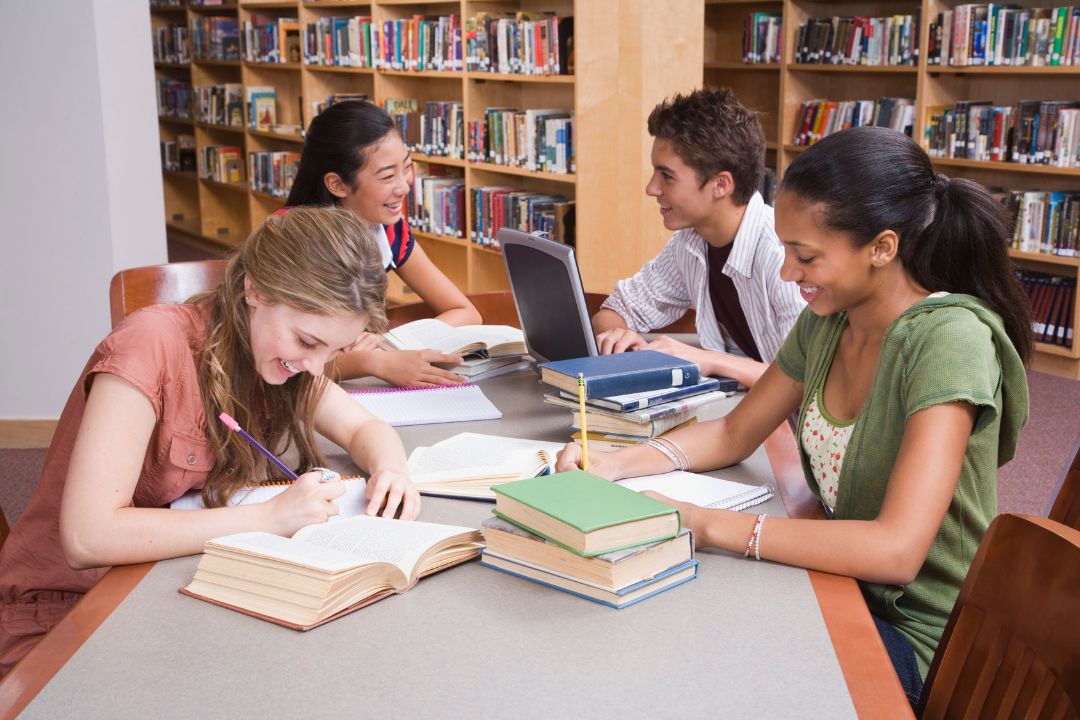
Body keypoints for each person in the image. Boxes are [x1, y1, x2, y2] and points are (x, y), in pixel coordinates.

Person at [558, 126, 1031, 707]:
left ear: (882, 248)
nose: (787, 274)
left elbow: (896, 551)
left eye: (805, 256)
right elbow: (736, 431)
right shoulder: (832, 317)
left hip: (912, 634)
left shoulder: (949, 341)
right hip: (837, 587)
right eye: (785, 250)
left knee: (695, 669)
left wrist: (703, 524)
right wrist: (615, 463)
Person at [0, 207, 421, 675]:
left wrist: (392, 470)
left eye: (335, 351)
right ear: (255, 289)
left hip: (160, 584)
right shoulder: (150, 344)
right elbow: (87, 537)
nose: (317, 367)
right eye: (307, 342)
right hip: (69, 613)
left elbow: (366, 429)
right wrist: (268, 517)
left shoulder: (274, 351)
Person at [592, 87, 805, 388]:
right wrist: (618, 336)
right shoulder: (690, 243)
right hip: (738, 413)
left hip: (793, 428)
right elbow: (615, 310)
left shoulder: (781, 256)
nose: (651, 189)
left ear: (720, 184)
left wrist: (708, 360)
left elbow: (804, 381)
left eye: (666, 175)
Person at [285, 100, 482, 387]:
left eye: (407, 167)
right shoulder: (294, 241)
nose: (404, 186)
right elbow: (288, 361)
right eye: (388, 176)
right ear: (337, 185)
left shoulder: (389, 231)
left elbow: (465, 312)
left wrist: (391, 342)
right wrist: (374, 361)